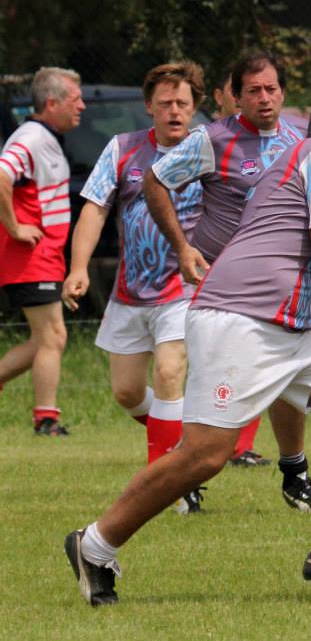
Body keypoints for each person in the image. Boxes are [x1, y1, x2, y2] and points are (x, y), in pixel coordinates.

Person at [65, 80, 311, 605]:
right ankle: (94, 544)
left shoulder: (309, 161)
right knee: (205, 456)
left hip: (296, 326)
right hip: (242, 318)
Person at [144, 52, 311, 509]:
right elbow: (155, 181)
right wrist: (183, 247)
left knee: (289, 376)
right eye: (253, 91)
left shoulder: (302, 138)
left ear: (283, 92)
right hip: (220, 283)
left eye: (271, 89)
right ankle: (184, 472)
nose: (264, 98)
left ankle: (295, 474)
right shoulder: (211, 139)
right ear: (234, 96)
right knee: (207, 379)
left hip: (282, 280)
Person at [62, 62, 207, 512]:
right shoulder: (123, 148)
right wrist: (78, 267)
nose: (174, 111)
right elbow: (95, 209)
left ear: (195, 107)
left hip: (184, 289)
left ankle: (164, 483)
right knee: (127, 392)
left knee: (168, 372)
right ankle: (181, 447)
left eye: (182, 103)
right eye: (164, 103)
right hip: (130, 292)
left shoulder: (209, 150)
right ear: (149, 108)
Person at [0, 67, 85, 435]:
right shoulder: (32, 137)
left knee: (44, 338)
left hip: (44, 255)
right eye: (74, 99)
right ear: (51, 103)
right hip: (29, 255)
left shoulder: (45, 138)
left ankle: (45, 417)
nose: (81, 105)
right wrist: (15, 226)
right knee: (53, 336)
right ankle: (46, 419)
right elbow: (1, 176)